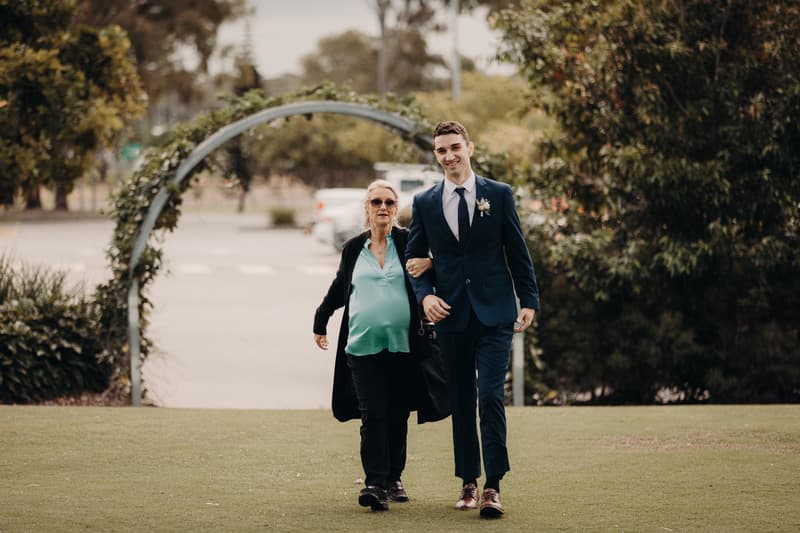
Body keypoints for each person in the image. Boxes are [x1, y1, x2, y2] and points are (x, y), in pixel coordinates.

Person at [405, 121, 540, 518]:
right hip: (451, 316)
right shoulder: (426, 202)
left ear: (470, 148)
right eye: (441, 150)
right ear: (436, 155)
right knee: (461, 400)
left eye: (454, 147)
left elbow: (517, 250)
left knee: (490, 397)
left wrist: (528, 298)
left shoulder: (498, 195)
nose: (449, 156)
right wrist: (426, 296)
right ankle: (467, 480)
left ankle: (493, 486)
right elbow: (415, 262)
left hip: (495, 313)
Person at [313, 179, 450, 512]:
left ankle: (394, 478)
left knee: (397, 413)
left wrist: (431, 264)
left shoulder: (408, 243)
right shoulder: (352, 249)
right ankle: (374, 482)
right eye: (376, 202)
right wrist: (321, 320)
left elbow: (441, 270)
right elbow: (339, 288)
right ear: (367, 208)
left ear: (395, 207)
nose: (383, 208)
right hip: (361, 347)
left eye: (389, 202)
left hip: (404, 345)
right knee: (372, 414)